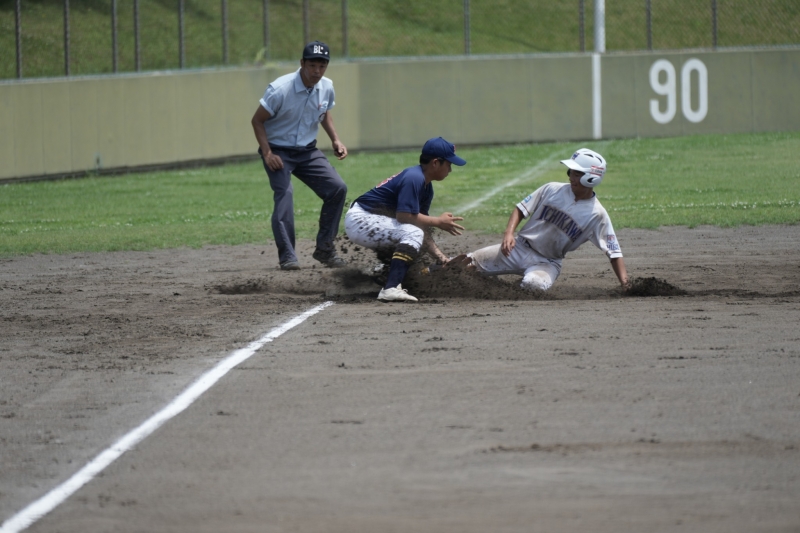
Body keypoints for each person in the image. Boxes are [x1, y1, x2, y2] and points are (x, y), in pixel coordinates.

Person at [458, 148, 629, 292]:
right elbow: (520, 209)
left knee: (533, 285)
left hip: (547, 262)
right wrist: (509, 233)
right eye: (570, 172)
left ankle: (501, 290)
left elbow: (614, 253)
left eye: (576, 174)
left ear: (592, 178)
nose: (571, 177)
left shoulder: (597, 214)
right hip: (518, 248)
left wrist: (626, 284)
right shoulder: (552, 189)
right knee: (464, 264)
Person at [251, 41, 348, 270]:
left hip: (307, 151)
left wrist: (335, 139)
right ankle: (288, 256)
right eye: (312, 65)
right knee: (285, 194)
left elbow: (324, 113)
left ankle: (325, 249)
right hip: (278, 151)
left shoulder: (326, 86)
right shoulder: (280, 89)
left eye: (322, 66)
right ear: (302, 63)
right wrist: (267, 153)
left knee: (337, 188)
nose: (317, 71)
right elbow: (257, 121)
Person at [345, 137, 467, 302]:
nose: (450, 169)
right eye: (449, 164)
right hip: (361, 220)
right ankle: (390, 288)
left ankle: (394, 278)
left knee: (416, 238)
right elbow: (404, 216)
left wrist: (442, 259)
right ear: (435, 163)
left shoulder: (426, 187)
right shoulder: (414, 178)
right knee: (412, 234)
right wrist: (438, 222)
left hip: (372, 220)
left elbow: (419, 225)